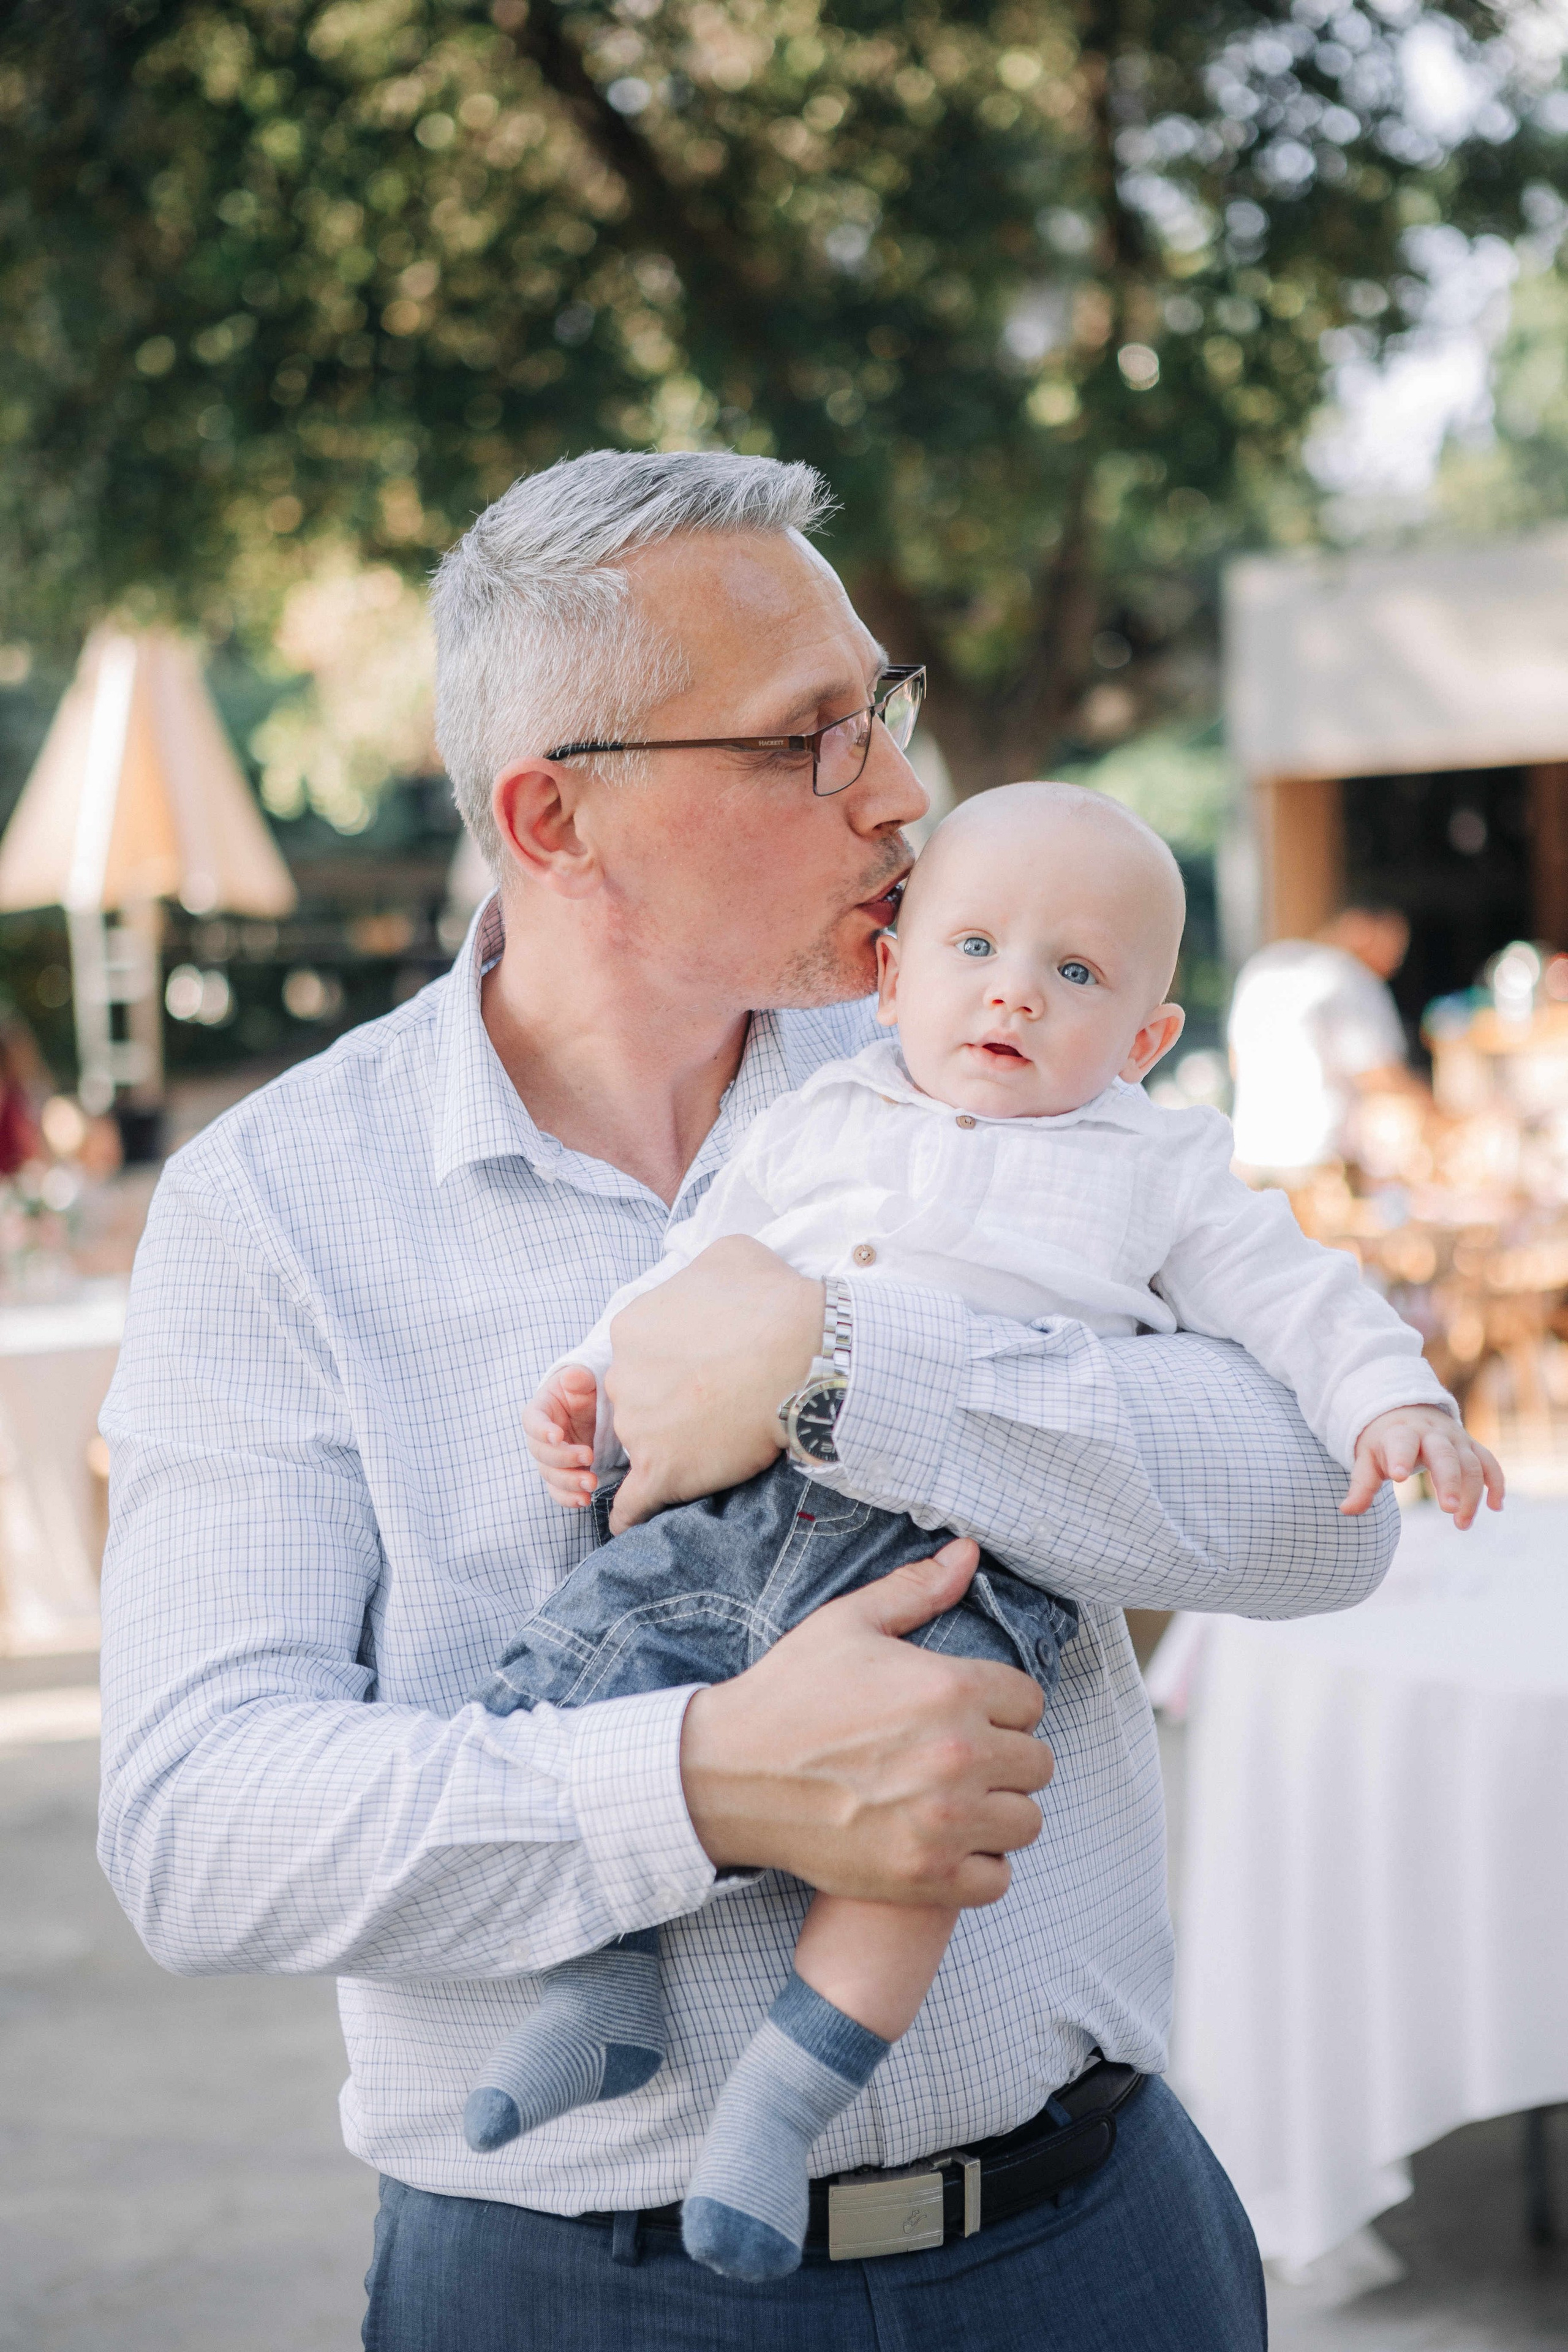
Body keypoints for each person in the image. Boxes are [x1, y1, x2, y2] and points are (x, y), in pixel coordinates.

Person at [99, 452, 1400, 2352]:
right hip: (562, 2289)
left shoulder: (994, 1049)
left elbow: (1329, 1515)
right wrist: (700, 1778)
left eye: (881, 708)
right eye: (808, 739)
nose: (898, 790)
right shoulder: (276, 1205)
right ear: (556, 816)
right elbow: (201, 1827)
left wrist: (837, 1369)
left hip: (1093, 2235)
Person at [469, 782, 1498, 2282]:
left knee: (917, 1835)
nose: (1013, 991)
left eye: (1074, 971)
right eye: (972, 948)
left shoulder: (1153, 1163)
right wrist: (591, 1377)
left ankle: (779, 2098)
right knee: (573, 1678)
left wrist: (1389, 1403)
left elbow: (1300, 1298)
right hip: (737, 1514)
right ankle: (600, 1992)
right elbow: (695, 1271)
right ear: (891, 978)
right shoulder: (819, 1114)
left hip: (960, 1558)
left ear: (1142, 1038)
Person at [1228, 903, 1421, 1179]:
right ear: (1362, 929)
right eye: (1393, 948)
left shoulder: (1264, 965)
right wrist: (1439, 1112)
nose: (1394, 964)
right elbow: (1381, 1077)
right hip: (1317, 1162)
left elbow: (1236, 1062)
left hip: (1251, 1156)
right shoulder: (1349, 976)